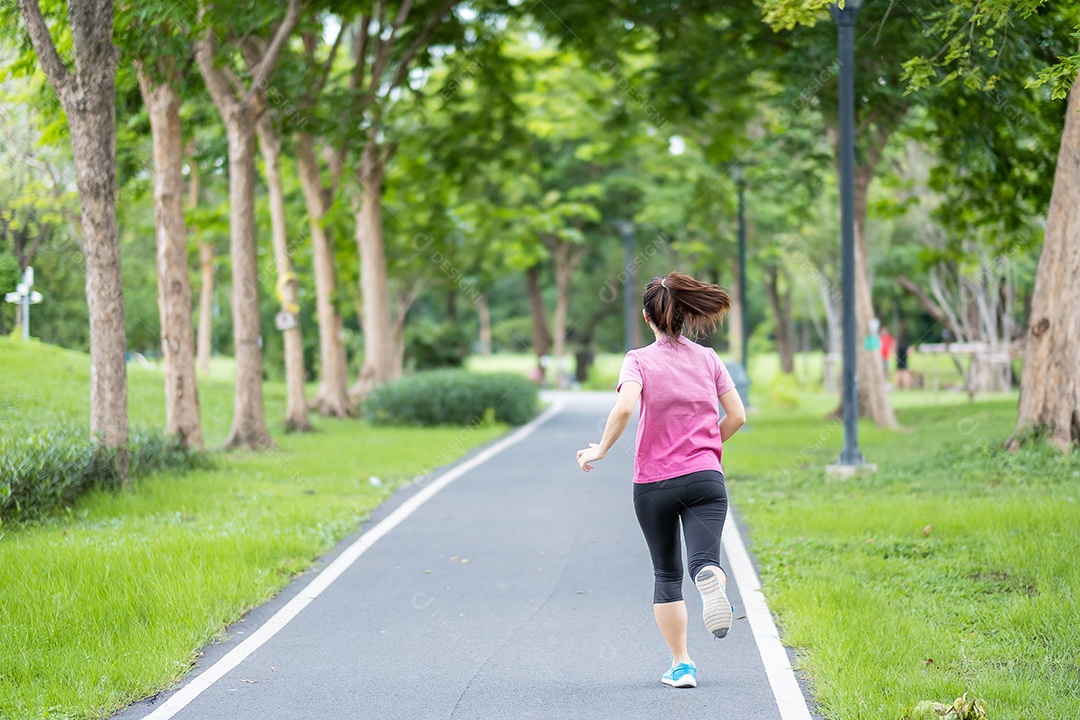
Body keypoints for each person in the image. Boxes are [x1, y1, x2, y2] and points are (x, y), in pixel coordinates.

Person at [576, 271, 746, 689]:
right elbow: (738, 416)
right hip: (705, 477)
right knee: (704, 560)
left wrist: (599, 449)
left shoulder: (638, 359)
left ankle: (682, 664)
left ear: (648, 318)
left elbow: (623, 408)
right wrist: (706, 446)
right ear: (686, 316)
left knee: (667, 575)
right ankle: (710, 581)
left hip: (654, 483)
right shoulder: (708, 358)